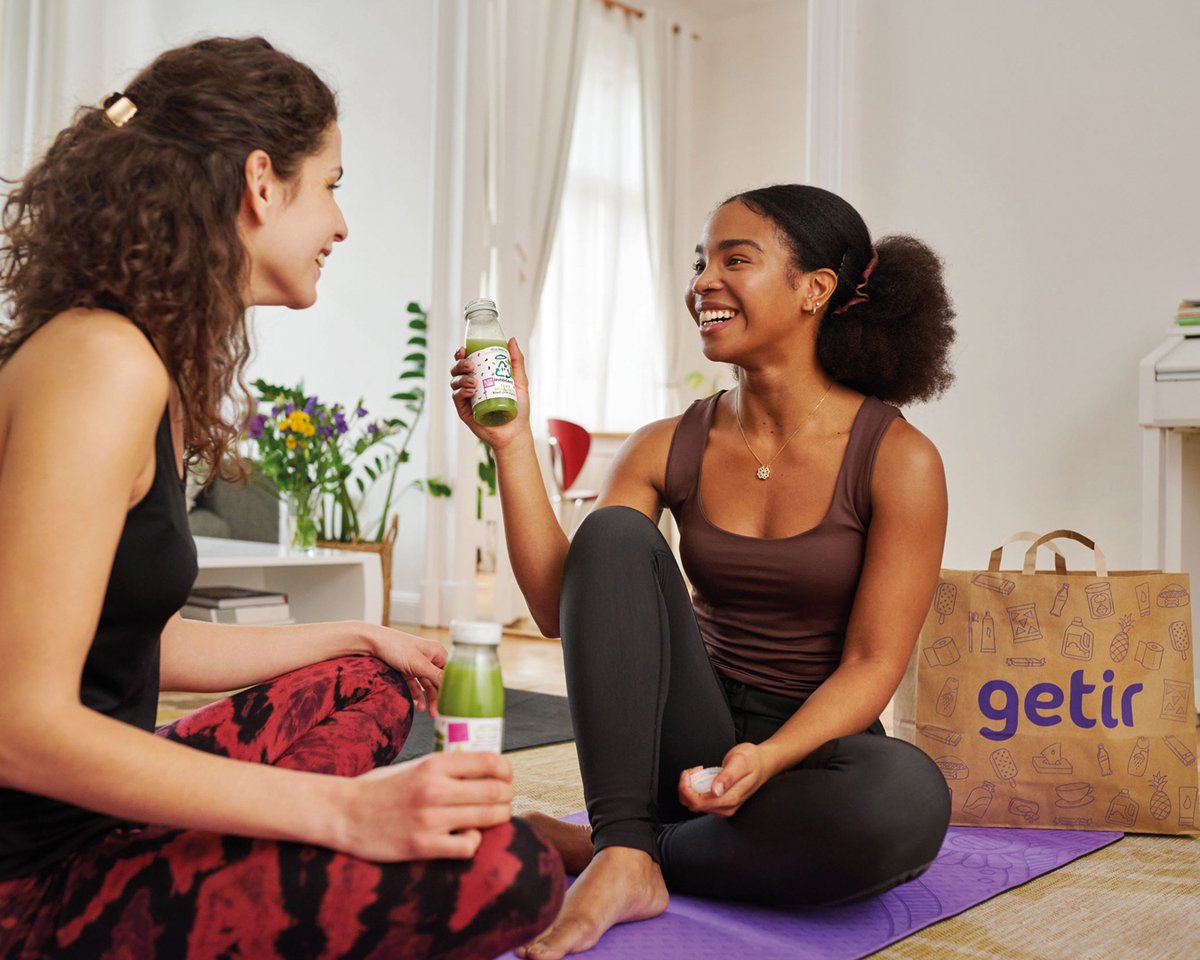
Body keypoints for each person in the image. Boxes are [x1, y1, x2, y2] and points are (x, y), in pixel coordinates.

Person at [0, 36, 562, 960]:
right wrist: (342, 812)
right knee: (510, 871)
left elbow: (139, 644)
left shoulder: (141, 358)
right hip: (27, 882)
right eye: (332, 184)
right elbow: (21, 725)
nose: (340, 224)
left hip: (90, 818)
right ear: (262, 182)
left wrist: (358, 631)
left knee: (371, 680)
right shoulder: (100, 362)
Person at [451, 183, 957, 958]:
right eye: (700, 262)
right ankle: (627, 844)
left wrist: (766, 760)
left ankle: (614, 852)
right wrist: (513, 444)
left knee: (906, 800)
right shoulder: (666, 443)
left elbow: (872, 664)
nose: (702, 284)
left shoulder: (899, 459)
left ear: (815, 290)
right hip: (680, 740)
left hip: (810, 751)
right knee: (615, 534)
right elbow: (565, 607)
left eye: (736, 259)